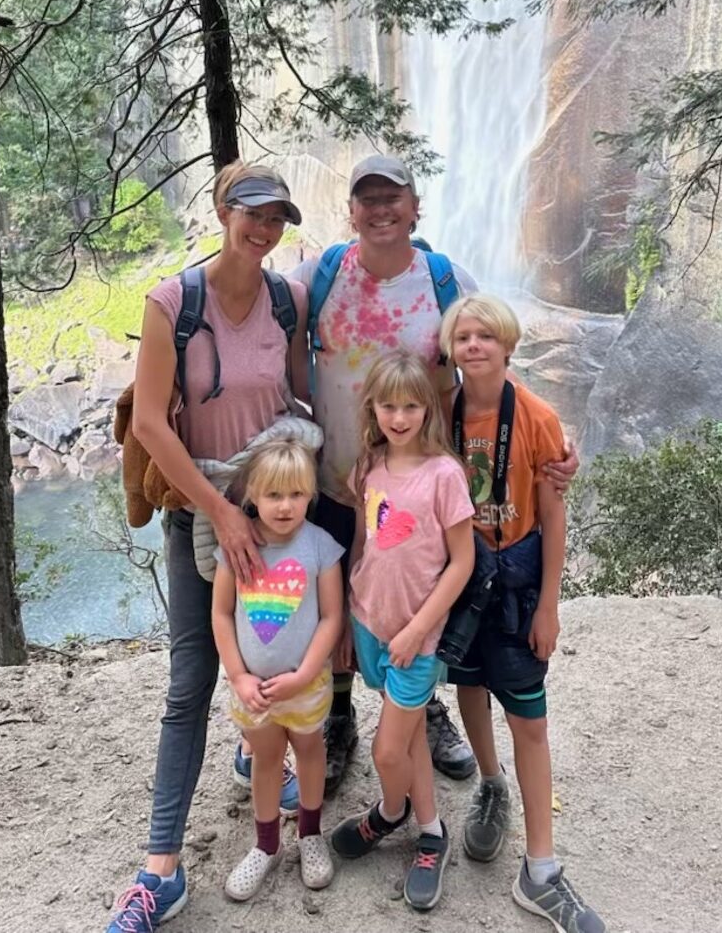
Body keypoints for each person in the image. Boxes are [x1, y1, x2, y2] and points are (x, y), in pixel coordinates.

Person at [105, 162, 310, 933]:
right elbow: (152, 421)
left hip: (275, 515)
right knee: (191, 679)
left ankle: (252, 752)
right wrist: (219, 512)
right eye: (252, 213)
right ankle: (161, 870)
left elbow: (300, 395)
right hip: (201, 513)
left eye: (277, 217)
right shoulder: (173, 302)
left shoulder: (286, 298)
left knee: (271, 651)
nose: (264, 228)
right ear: (223, 211)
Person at [289, 155, 480, 790]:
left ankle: (421, 707)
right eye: (366, 198)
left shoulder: (446, 281)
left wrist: (539, 437)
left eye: (391, 197)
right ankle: (339, 716)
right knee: (335, 606)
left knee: (415, 595)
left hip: (416, 486)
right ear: (351, 211)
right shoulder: (321, 275)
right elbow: (253, 315)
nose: (379, 209)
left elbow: (487, 365)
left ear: (415, 206)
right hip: (335, 477)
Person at [438, 293, 605, 933]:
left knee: (529, 716)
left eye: (486, 336)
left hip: (514, 587)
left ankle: (541, 870)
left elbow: (553, 516)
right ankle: (489, 782)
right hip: (460, 582)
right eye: (464, 336)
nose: (475, 346)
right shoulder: (439, 415)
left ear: (508, 346)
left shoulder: (535, 417)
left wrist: (550, 609)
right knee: (471, 690)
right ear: (451, 350)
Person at [329, 351, 475, 912]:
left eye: (410, 405)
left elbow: (460, 563)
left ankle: (392, 813)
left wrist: (418, 629)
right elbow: (363, 544)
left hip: (417, 635)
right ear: (372, 408)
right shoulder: (367, 467)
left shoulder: (444, 474)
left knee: (389, 751)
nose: (398, 416)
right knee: (410, 738)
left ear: (427, 410)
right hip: (369, 620)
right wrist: (345, 613)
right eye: (388, 405)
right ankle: (432, 832)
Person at [212, 438, 344, 902]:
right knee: (266, 761)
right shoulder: (237, 547)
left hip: (306, 684)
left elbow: (331, 616)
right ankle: (266, 845)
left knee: (310, 753)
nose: (285, 506)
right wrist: (238, 675)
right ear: (252, 496)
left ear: (311, 494)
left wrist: (307, 671)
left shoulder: (321, 546)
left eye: (296, 494)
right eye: (273, 495)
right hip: (255, 689)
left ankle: (310, 835)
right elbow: (222, 614)